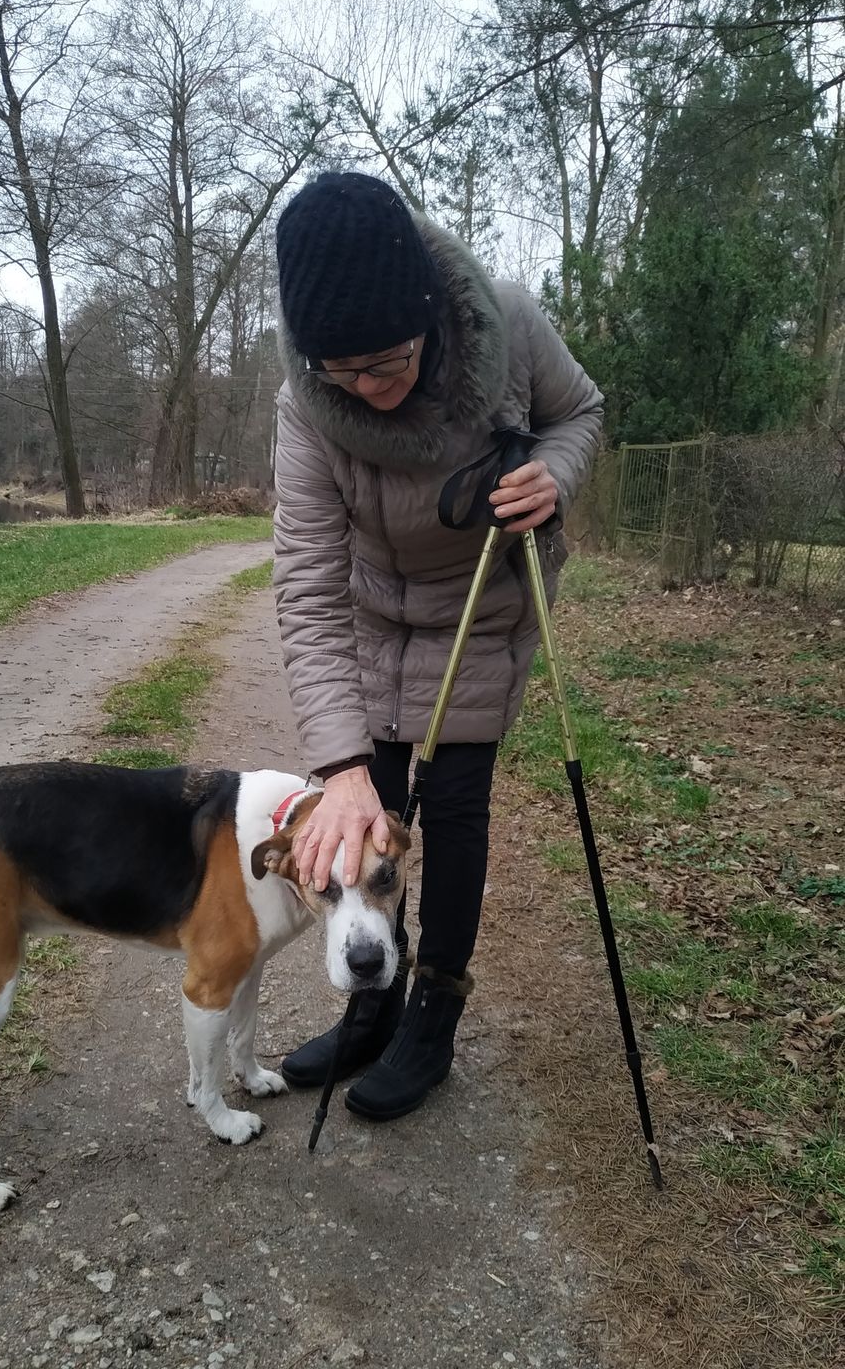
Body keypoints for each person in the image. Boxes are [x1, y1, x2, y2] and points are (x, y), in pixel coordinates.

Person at [270, 171, 603, 1122]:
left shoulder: (507, 323)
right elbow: (305, 584)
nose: (370, 389)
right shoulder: (304, 401)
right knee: (363, 814)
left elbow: (581, 412)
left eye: (387, 360)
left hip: (480, 607)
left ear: (426, 316)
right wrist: (338, 767)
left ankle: (433, 1020)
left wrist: (553, 476)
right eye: (345, 373)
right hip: (374, 619)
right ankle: (370, 1006)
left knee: (451, 811)